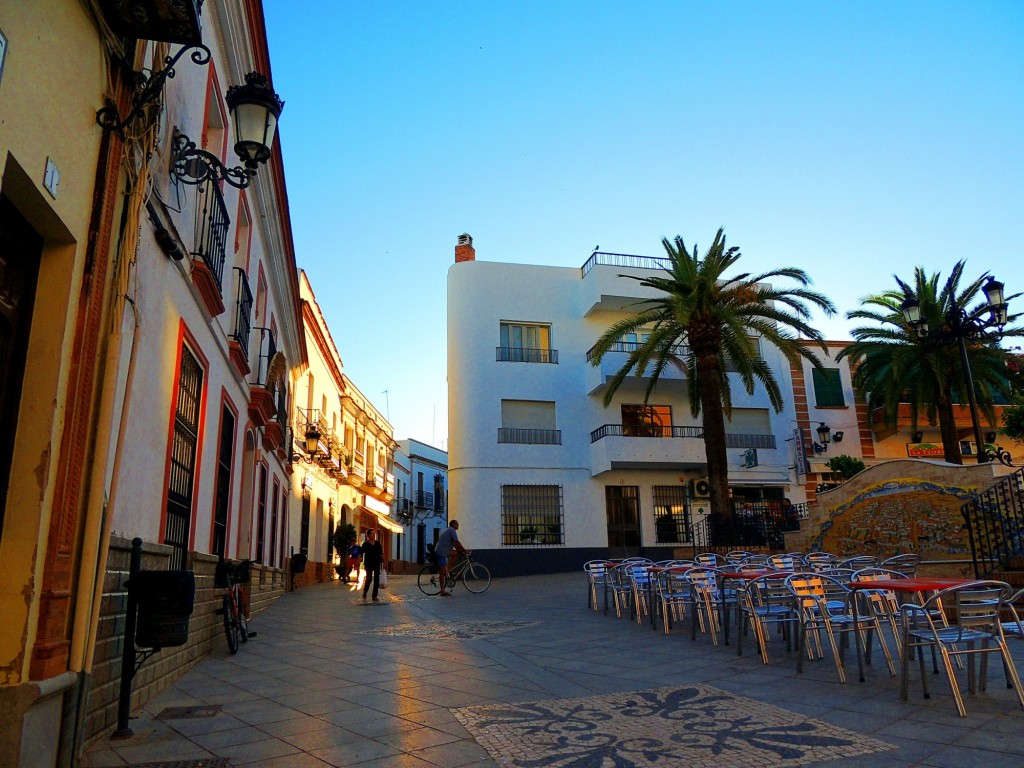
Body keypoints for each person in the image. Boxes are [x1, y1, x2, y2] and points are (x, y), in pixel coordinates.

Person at [435, 519, 468, 596]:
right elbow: (457, 542)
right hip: (441, 552)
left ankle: (448, 569)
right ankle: (442, 590)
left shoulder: (449, 531)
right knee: (442, 573)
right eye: (457, 524)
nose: (458, 526)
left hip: (444, 551)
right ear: (453, 525)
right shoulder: (452, 530)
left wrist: (462, 551)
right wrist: (465, 551)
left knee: (457, 553)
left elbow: (455, 545)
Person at [360, 529, 384, 601]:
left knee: (376, 579)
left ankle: (374, 596)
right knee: (369, 579)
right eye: (372, 534)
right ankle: (365, 591)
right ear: (368, 535)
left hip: (376, 563)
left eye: (374, 534)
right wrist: (360, 558)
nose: (374, 535)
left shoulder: (377, 543)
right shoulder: (365, 544)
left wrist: (383, 560)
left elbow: (381, 553)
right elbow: (361, 552)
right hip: (368, 563)